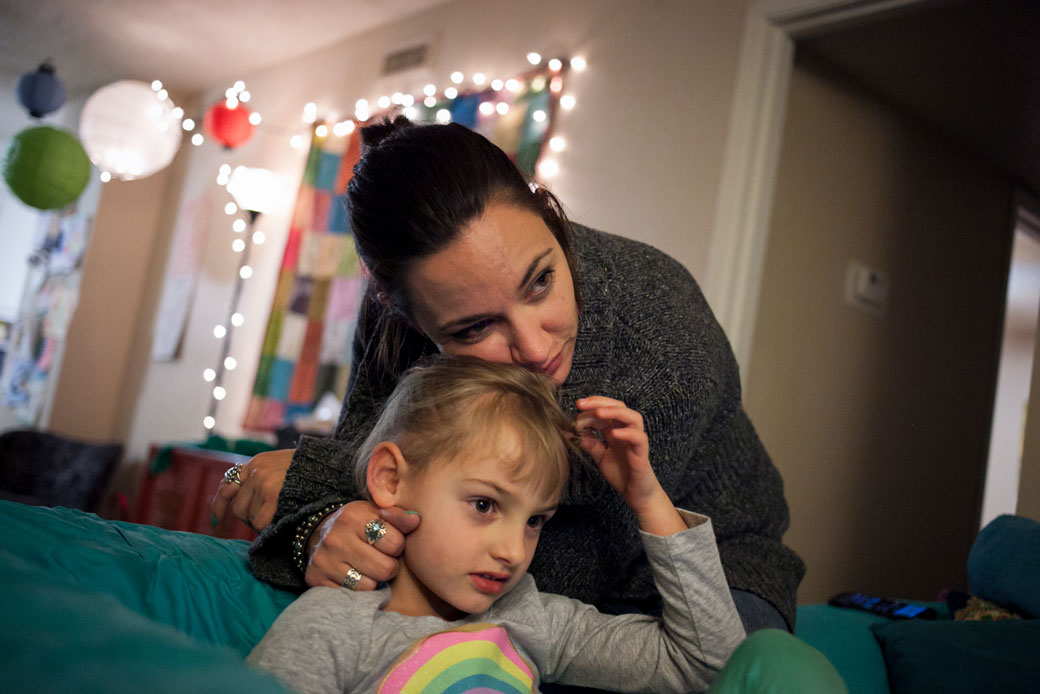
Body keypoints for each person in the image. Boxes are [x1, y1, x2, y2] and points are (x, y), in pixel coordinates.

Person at [214, 116, 805, 636]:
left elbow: (541, 537)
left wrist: (302, 476)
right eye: (473, 329)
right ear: (409, 317)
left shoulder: (657, 325)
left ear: (547, 212)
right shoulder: (397, 321)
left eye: (540, 282)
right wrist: (320, 526)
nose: (534, 345)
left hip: (715, 572)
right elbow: (376, 467)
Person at [247, 355, 748, 692]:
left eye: (535, 520)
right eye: (485, 505)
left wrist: (646, 497)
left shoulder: (531, 619)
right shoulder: (334, 627)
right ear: (391, 479)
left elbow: (708, 663)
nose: (512, 550)